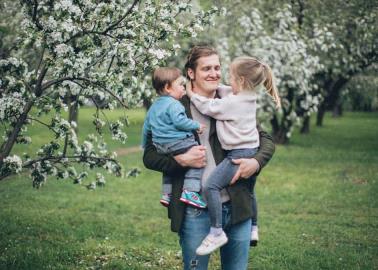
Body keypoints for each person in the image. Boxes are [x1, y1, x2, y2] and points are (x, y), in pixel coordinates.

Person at [143, 45, 275, 270]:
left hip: (237, 205)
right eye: (206, 69)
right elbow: (149, 155)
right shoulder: (172, 106)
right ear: (191, 74)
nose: (214, 73)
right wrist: (180, 161)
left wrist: (255, 162)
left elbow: (265, 139)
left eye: (217, 67)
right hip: (195, 211)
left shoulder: (232, 99)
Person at [185, 56, 281, 256]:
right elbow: (227, 90)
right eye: (207, 69)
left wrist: (192, 94)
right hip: (249, 148)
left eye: (223, 71)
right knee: (251, 190)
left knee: (211, 185)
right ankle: (254, 226)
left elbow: (209, 107)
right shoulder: (247, 97)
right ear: (191, 72)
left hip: (239, 155)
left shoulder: (231, 104)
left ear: (242, 81)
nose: (221, 77)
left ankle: (216, 231)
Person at [142, 67, 207, 208]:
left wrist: (143, 144)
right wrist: (196, 125)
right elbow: (179, 121)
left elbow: (146, 128)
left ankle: (166, 193)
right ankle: (190, 190)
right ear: (168, 88)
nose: (184, 88)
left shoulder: (154, 106)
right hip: (177, 142)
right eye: (181, 85)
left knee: (168, 169)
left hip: (161, 146)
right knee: (199, 155)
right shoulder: (174, 104)